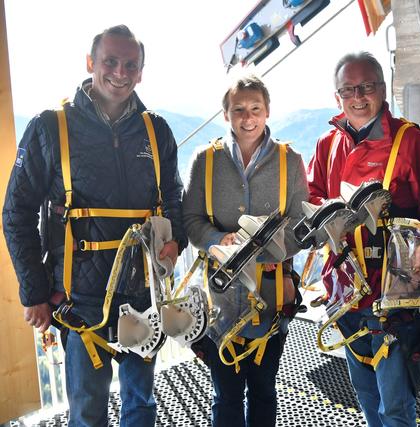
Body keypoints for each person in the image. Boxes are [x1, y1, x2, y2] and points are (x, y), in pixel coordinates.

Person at [2, 25, 186, 426]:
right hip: (80, 301)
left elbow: (173, 197)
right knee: (88, 412)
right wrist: (34, 290)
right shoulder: (50, 128)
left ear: (141, 72)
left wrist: (177, 241)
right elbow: (16, 212)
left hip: (143, 295)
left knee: (141, 405)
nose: (120, 73)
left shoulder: (156, 131)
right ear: (91, 63)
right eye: (110, 62)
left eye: (130, 65)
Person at [306, 52, 420, 426]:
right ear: (337, 95)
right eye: (348, 89)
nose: (358, 96)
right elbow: (311, 199)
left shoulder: (412, 142)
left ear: (382, 90)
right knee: (366, 393)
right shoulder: (327, 145)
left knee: (396, 405)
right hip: (346, 291)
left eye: (366, 86)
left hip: (397, 297)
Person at [182, 75, 309, 427]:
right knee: (225, 395)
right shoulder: (205, 161)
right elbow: (190, 219)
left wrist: (261, 251)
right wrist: (214, 239)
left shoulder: (290, 160)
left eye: (255, 108)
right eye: (239, 109)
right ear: (226, 113)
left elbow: (301, 226)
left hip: (271, 297)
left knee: (265, 390)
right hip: (219, 301)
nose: (247, 117)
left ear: (267, 112)